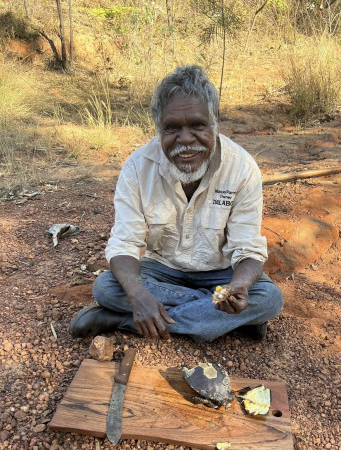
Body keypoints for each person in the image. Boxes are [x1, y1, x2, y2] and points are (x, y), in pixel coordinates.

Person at [69, 65, 283, 343]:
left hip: (220, 274)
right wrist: (137, 293)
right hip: (162, 271)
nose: (185, 140)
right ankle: (226, 321)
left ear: (214, 123)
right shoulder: (137, 168)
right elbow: (125, 243)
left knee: (269, 298)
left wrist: (238, 287)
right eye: (172, 128)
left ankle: (123, 320)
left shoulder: (241, 168)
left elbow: (247, 248)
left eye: (197, 125)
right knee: (106, 287)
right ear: (158, 129)